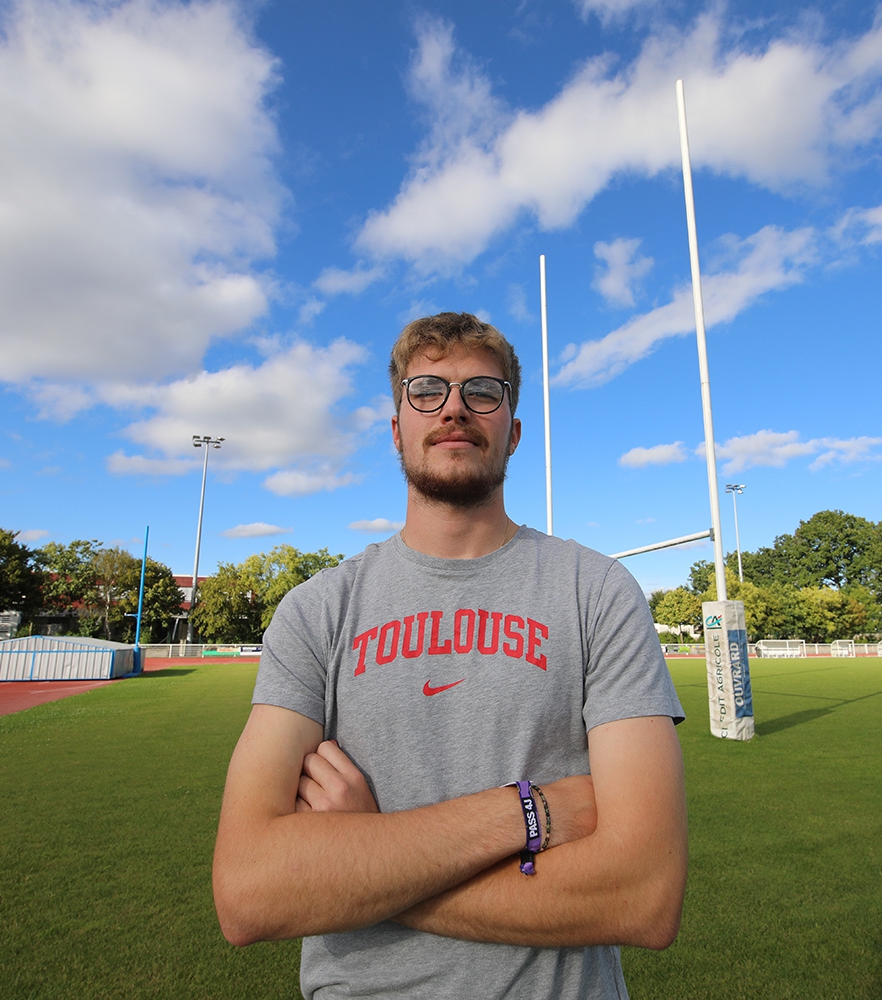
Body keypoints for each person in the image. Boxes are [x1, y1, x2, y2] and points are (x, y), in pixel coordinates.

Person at [212, 312, 688, 999]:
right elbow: (248, 893)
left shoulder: (597, 591)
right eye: (427, 390)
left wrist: (362, 862)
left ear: (513, 431)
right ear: (397, 426)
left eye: (483, 392)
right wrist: (531, 812)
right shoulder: (317, 611)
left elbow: (643, 896)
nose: (455, 409)